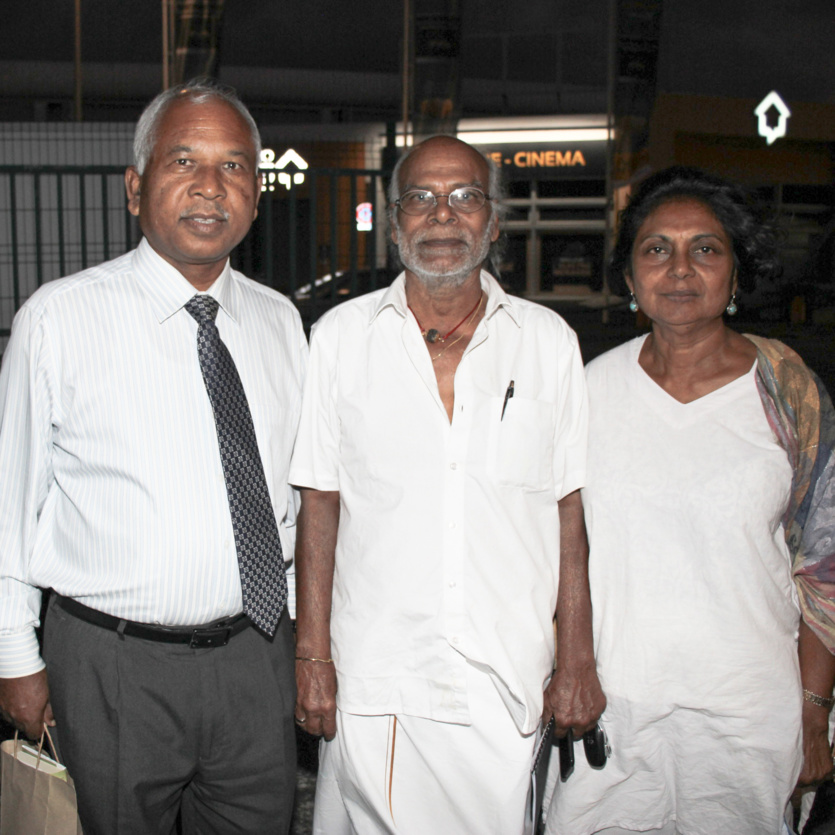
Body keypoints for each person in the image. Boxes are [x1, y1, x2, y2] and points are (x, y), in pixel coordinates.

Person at [0, 79, 307, 834]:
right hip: (113, 663)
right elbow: (12, 500)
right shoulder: (59, 319)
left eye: (235, 166)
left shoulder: (280, 322)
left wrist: (301, 636)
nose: (211, 186)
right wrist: (16, 656)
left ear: (257, 195)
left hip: (257, 654)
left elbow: (289, 496)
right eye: (183, 161)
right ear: (136, 188)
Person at [289, 134, 606, 834]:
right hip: (377, 678)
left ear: (492, 221)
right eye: (421, 199)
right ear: (394, 218)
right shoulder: (341, 337)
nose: (441, 216)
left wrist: (576, 658)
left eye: (463, 197)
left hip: (505, 677)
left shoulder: (547, 341)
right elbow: (319, 502)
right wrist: (312, 654)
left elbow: (568, 513)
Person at [544, 166, 835, 835]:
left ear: (736, 273)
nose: (679, 268)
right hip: (612, 709)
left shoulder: (787, 390)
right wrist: (568, 666)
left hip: (746, 715)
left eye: (705, 248)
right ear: (628, 277)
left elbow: (823, 562)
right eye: (656, 248)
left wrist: (812, 709)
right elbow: (559, 550)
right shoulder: (586, 391)